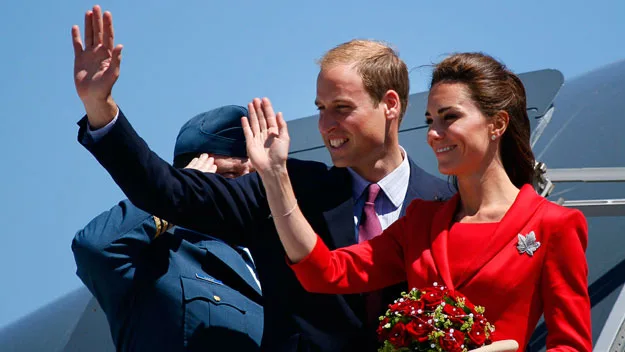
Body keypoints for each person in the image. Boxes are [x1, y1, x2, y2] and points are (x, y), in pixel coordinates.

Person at [71, 6, 454, 351]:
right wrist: (100, 108)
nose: (325, 125)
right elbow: (166, 191)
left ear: (389, 105)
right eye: (320, 109)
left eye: (341, 108)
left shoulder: (448, 205)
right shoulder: (282, 188)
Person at [243, 52, 592, 351]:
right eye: (429, 120)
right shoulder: (421, 222)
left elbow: (573, 344)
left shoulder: (554, 225)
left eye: (449, 117)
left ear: (497, 124)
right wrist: (276, 179)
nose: (432, 134)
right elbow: (326, 273)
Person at [72, 105, 263, 352]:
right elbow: (96, 246)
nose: (243, 188)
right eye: (230, 175)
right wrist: (178, 195)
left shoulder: (279, 261)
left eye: (255, 176)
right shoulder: (162, 259)